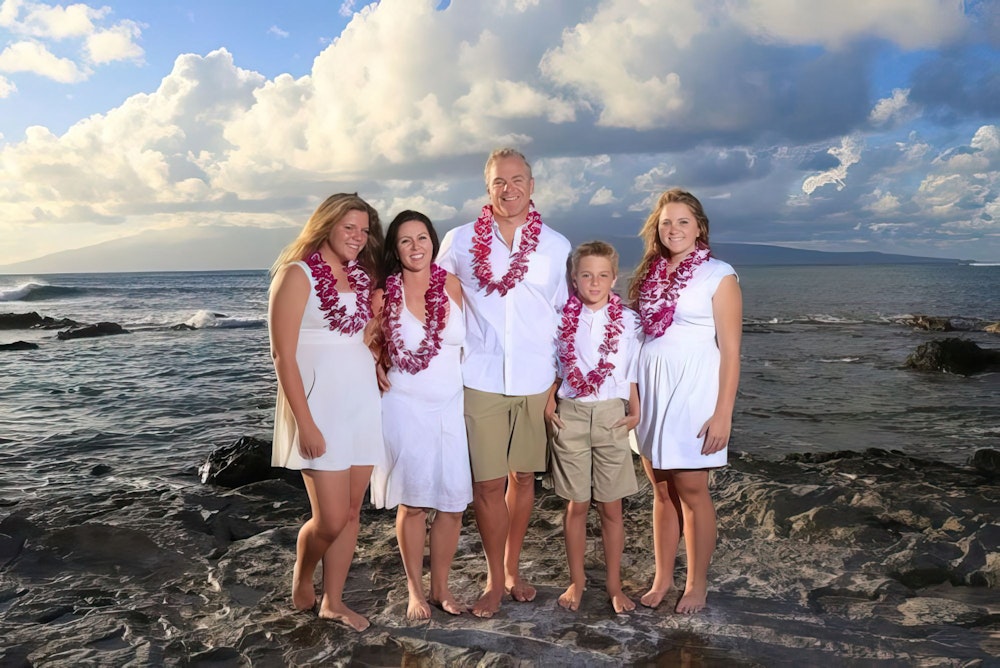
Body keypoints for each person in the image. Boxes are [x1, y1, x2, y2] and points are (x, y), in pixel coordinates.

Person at [438, 148, 571, 618]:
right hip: (480, 377)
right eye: (499, 181)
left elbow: (563, 315)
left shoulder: (556, 246)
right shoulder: (457, 241)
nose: (509, 189)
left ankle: (514, 568)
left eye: (518, 180)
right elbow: (432, 302)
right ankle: (495, 580)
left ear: (532, 186)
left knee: (523, 478)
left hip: (536, 379)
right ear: (487, 187)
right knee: (488, 484)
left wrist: (560, 381)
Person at [268, 193, 385, 631]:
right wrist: (305, 422)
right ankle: (303, 570)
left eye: (364, 230)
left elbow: (357, 338)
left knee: (353, 512)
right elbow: (283, 356)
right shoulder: (296, 275)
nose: (358, 237)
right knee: (331, 517)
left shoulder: (359, 276)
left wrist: (376, 331)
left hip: (361, 401)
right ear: (327, 225)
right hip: (320, 407)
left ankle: (334, 600)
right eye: (349, 228)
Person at [628, 188, 742, 614]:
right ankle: (662, 577)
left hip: (694, 391)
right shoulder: (649, 273)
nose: (673, 229)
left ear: (699, 228)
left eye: (682, 222)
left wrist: (722, 414)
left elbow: (730, 351)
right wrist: (632, 400)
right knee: (660, 489)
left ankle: (697, 583)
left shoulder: (719, 274)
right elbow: (635, 338)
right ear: (656, 230)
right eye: (665, 222)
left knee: (692, 490)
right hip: (652, 391)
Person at [368, 210, 471, 621]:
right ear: (396, 248)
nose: (416, 247)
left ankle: (441, 587)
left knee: (451, 504)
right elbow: (367, 345)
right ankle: (415, 590)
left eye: (422, 238)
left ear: (433, 241)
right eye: (406, 240)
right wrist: (373, 363)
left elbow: (473, 343)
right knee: (413, 504)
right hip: (404, 406)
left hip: (450, 404)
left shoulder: (452, 285)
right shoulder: (383, 295)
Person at [543, 241, 642, 614]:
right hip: (570, 413)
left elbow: (631, 369)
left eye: (602, 275)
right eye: (586, 275)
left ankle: (614, 584)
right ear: (574, 278)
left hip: (611, 415)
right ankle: (578, 580)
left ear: (614, 278)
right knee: (577, 504)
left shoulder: (628, 321)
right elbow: (553, 363)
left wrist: (636, 409)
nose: (594, 282)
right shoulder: (560, 318)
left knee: (612, 507)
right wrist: (551, 395)